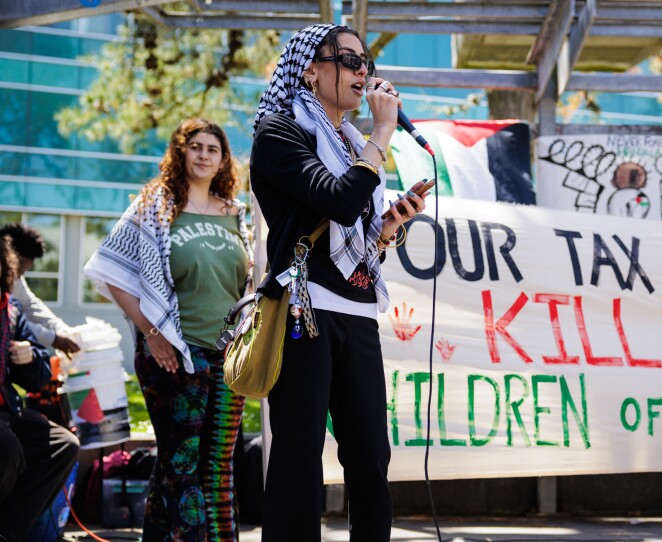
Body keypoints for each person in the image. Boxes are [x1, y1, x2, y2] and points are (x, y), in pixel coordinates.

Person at [250, 23, 428, 541]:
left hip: (357, 307)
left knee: (370, 454)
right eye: (348, 60)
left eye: (365, 61)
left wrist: (388, 225)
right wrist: (382, 135)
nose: (362, 71)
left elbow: (355, 223)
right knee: (299, 458)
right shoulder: (279, 133)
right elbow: (337, 199)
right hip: (303, 308)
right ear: (310, 70)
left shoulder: (351, 142)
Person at [84, 118, 252, 540]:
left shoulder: (236, 212)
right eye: (195, 146)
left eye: (212, 149)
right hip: (176, 352)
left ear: (223, 159)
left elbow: (246, 284)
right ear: (181, 152)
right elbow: (112, 272)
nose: (203, 155)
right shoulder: (156, 205)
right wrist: (152, 333)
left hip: (229, 354)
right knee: (184, 462)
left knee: (217, 463)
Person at [0, 235, 80, 542]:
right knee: (6, 447)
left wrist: (30, 356)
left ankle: (7, 532)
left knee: (64, 444)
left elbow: (37, 376)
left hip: (6, 412)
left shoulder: (11, 310)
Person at [0, 223, 81, 355]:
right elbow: (15, 322)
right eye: (19, 269)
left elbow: (30, 305)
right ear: (8, 257)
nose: (20, 275)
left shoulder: (16, 280)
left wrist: (61, 329)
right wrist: (54, 339)